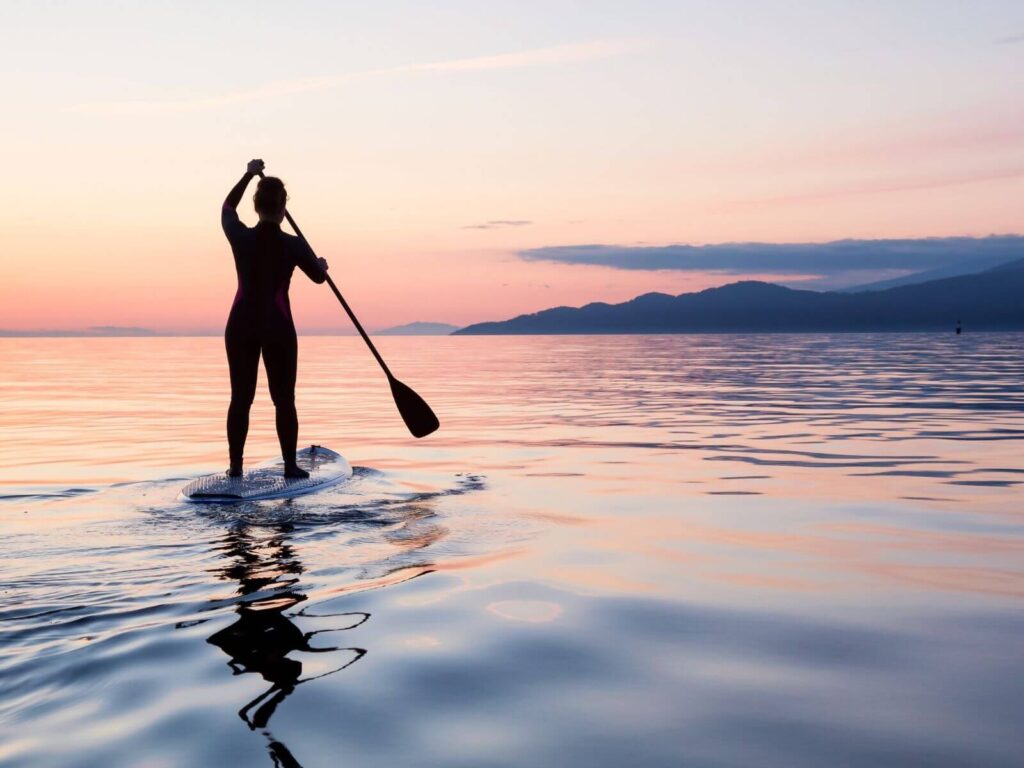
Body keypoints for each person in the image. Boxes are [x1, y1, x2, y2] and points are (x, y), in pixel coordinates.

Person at [221, 159, 328, 478]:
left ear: (255, 206)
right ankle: (290, 466)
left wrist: (247, 174)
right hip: (278, 327)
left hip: (240, 324)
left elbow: (226, 207)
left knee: (241, 398)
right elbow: (319, 277)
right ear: (282, 209)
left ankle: (235, 467)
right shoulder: (293, 245)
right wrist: (320, 263)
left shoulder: (239, 236)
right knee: (284, 399)